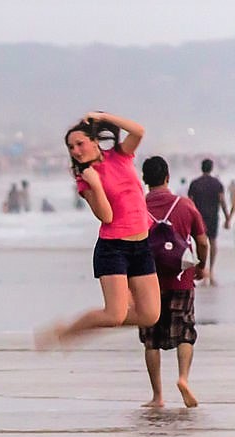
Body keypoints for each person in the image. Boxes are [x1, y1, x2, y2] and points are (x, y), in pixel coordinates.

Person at [39, 111, 160, 346]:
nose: (75, 150)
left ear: (94, 141)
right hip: (113, 248)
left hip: (142, 245)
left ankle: (73, 330)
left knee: (150, 315)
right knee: (115, 315)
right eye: (71, 147)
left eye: (79, 143)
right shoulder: (85, 179)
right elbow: (106, 216)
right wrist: (95, 183)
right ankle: (67, 331)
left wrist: (102, 116)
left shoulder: (120, 155)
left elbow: (138, 131)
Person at [138, 156, 208, 408]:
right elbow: (202, 241)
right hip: (181, 278)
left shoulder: (137, 206)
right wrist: (201, 265)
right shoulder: (184, 204)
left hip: (147, 280)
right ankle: (183, 378)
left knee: (150, 338)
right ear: (167, 177)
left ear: (145, 180)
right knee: (185, 332)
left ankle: (157, 396)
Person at [187, 159, 229, 286]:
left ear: (202, 168)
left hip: (198, 217)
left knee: (198, 243)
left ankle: (202, 269)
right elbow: (222, 201)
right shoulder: (217, 183)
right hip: (213, 217)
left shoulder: (195, 183)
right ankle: (211, 271)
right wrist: (227, 217)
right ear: (211, 168)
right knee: (212, 242)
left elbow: (190, 202)